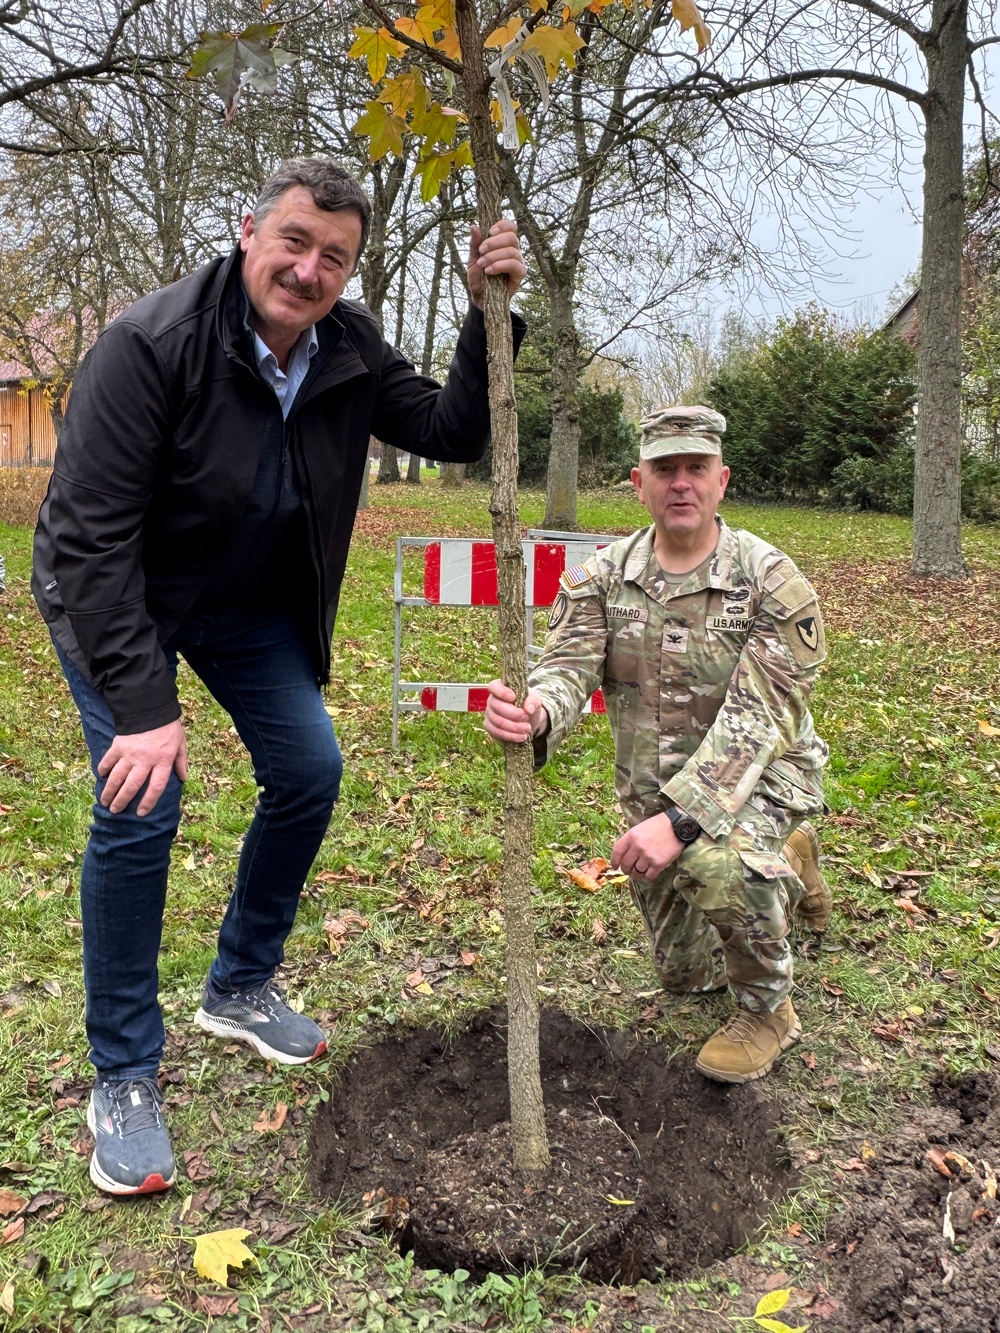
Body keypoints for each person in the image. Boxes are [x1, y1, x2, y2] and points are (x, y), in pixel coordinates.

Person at [32, 157, 526, 1196]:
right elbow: (87, 539)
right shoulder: (150, 345)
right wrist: (142, 706)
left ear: (351, 270)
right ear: (249, 230)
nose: (307, 271)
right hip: (118, 596)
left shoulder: (343, 346)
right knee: (142, 801)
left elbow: (452, 430)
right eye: (294, 243)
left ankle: (241, 984)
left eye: (333, 258)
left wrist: (490, 315)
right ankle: (123, 1074)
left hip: (246, 603)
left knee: (309, 769)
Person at [484, 405, 831, 1085]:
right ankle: (789, 867)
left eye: (695, 469)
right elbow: (567, 668)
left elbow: (757, 721)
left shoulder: (773, 585)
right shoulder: (604, 578)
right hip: (655, 798)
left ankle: (769, 1010)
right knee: (687, 977)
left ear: (721, 480)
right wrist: (538, 711)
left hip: (763, 778)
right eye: (665, 469)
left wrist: (680, 823)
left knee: (719, 866)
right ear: (638, 482)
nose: (681, 484)